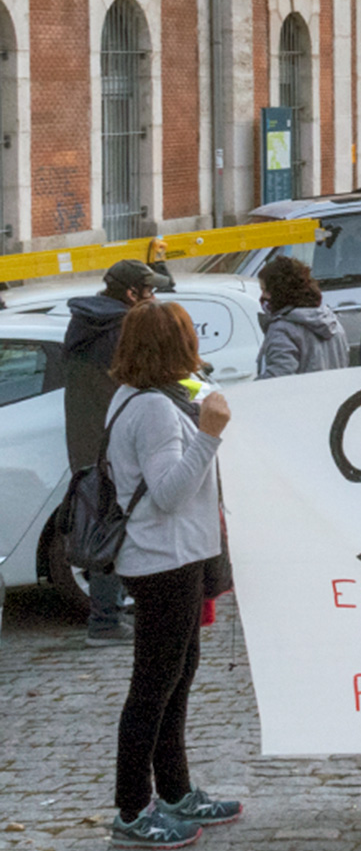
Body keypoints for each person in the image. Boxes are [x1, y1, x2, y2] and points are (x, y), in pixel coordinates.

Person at [104, 300, 241, 848]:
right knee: (154, 686)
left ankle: (177, 791)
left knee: (175, 679)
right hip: (163, 559)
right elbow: (166, 493)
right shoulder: (155, 410)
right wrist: (208, 435)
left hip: (173, 556)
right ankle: (134, 809)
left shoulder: (137, 396)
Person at [65, 257, 173, 645]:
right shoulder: (115, 332)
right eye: (150, 291)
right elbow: (134, 383)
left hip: (90, 443)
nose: (154, 297)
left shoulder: (89, 323)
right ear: (131, 294)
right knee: (112, 531)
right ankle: (105, 622)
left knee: (106, 527)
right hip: (107, 448)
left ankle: (109, 617)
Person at [254, 256, 348, 378]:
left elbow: (277, 379)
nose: (263, 296)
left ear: (278, 291)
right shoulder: (332, 321)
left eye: (264, 290)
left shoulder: (282, 329)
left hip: (302, 396)